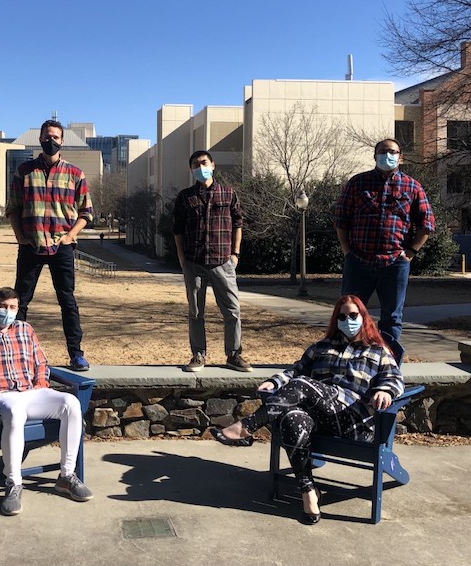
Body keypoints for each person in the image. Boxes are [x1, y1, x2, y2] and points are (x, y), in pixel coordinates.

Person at [210, 295, 404, 525]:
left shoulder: (377, 351)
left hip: (352, 420)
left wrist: (385, 391)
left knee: (302, 385)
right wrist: (275, 382)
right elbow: (295, 371)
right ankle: (309, 492)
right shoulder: (321, 348)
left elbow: (395, 379)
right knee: (292, 418)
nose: (348, 320)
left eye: (353, 315)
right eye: (342, 316)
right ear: (336, 320)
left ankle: (248, 426)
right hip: (321, 418)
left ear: (363, 317)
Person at [0, 287, 93, 516]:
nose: (7, 312)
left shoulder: (25, 329)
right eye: (3, 307)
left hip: (32, 391)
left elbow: (41, 363)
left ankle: (66, 476)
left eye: (12, 307)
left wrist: (41, 384)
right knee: (14, 409)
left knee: (71, 403)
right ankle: (13, 483)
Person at [6, 119, 93, 372]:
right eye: (47, 136)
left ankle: (76, 354)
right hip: (31, 245)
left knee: (67, 301)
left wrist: (70, 236)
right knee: (19, 302)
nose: (51, 141)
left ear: (62, 141)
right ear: (40, 139)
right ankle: (15, 353)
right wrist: (21, 237)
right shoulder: (24, 171)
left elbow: (86, 212)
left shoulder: (76, 174)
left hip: (62, 246)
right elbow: (13, 208)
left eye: (55, 137)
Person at [335, 138, 435, 341]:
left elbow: (427, 224)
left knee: (392, 318)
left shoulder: (412, 186)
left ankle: (389, 366)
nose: (387, 155)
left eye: (392, 152)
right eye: (382, 152)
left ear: (401, 157)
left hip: (395, 265)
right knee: (349, 315)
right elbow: (340, 220)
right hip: (359, 262)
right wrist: (348, 252)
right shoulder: (357, 183)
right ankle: (347, 361)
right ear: (374, 156)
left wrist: (410, 253)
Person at [172, 150, 251, 373]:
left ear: (213, 165)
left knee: (232, 311)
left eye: (204, 163)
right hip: (194, 262)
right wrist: (181, 257)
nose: (200, 167)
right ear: (191, 170)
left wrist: (235, 253)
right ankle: (198, 354)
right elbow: (176, 229)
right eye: (195, 165)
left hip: (223, 262)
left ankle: (234, 355)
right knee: (196, 312)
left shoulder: (228, 194)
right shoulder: (185, 197)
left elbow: (238, 223)